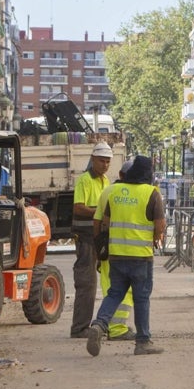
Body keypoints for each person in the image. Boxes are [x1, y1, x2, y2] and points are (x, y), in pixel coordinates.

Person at [87, 155, 166, 356]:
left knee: (114, 293)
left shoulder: (114, 192)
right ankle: (143, 342)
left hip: (117, 255)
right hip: (140, 256)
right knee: (141, 298)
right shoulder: (152, 193)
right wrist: (155, 238)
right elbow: (160, 226)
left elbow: (104, 222)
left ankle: (99, 324)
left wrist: (101, 248)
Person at [69, 143, 113, 339]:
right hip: (86, 238)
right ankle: (79, 328)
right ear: (93, 160)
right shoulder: (85, 180)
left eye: (107, 162)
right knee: (86, 283)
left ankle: (100, 323)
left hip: (97, 238)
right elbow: (78, 207)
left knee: (103, 283)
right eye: (102, 161)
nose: (105, 165)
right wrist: (100, 212)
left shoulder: (105, 180)